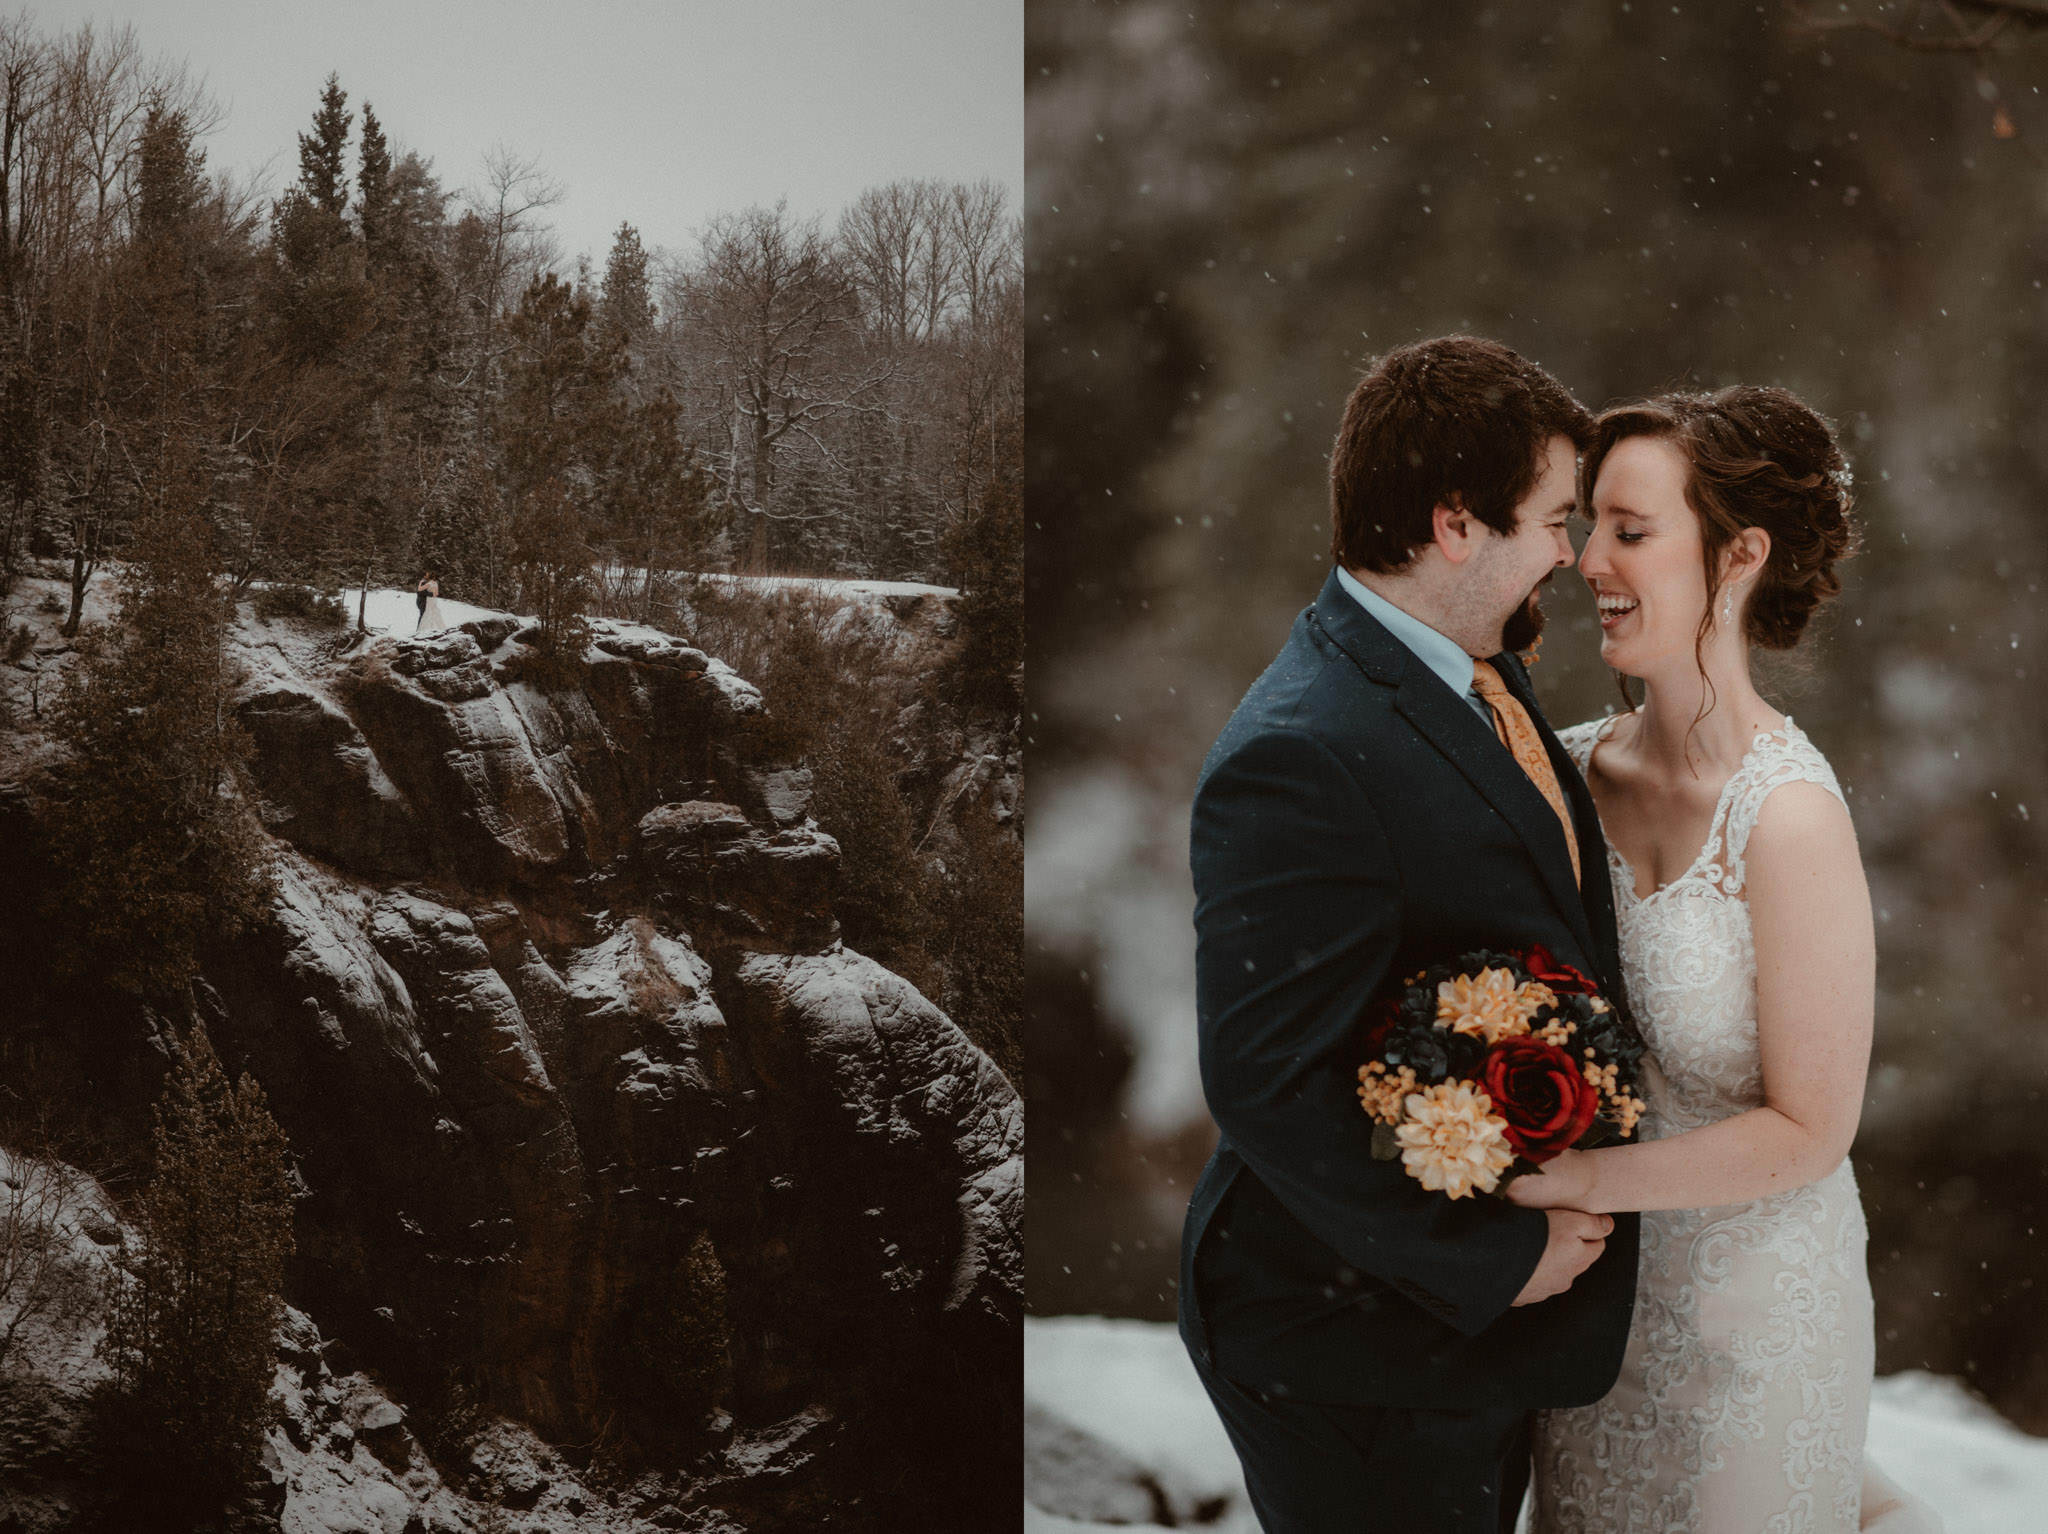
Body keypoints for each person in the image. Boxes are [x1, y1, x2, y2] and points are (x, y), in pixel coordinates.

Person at [1181, 335, 1631, 1534]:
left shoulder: (1462, 664)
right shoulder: (1302, 749)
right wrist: (1485, 1261)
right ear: (1452, 525)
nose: (1571, 552)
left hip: (1431, 1343)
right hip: (1347, 1345)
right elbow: (1261, 1078)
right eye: (1551, 519)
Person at [1512, 389, 1940, 1533]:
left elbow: (1811, 1127)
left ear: (1738, 555)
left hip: (1759, 1321)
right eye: (1587, 524)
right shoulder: (1552, 776)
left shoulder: (1788, 817)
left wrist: (1578, 1182)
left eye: (1629, 530)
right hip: (1589, 1323)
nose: (1587, 559)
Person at [415, 570, 446, 636]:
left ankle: (424, 628)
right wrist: (433, 594)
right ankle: (436, 627)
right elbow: (437, 593)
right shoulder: (436, 583)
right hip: (434, 600)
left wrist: (420, 583)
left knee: (427, 613)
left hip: (429, 600)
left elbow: (419, 590)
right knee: (434, 612)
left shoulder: (429, 583)